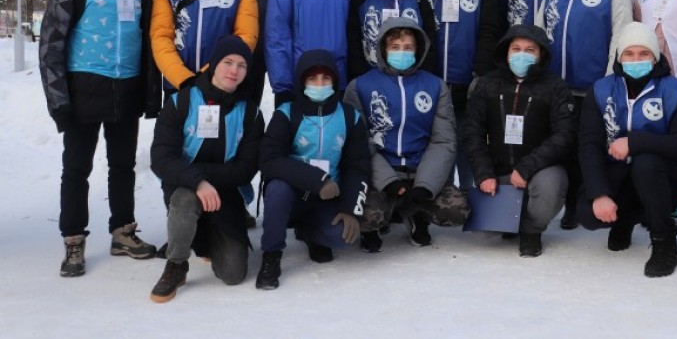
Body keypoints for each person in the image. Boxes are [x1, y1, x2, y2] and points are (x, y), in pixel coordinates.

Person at [40, 0, 160, 277]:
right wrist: (58, 101)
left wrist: (150, 93)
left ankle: (123, 232)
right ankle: (73, 239)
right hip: (84, 89)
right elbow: (50, 46)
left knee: (123, 166)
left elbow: (150, 42)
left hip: (127, 88)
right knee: (77, 168)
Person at [148, 36, 264, 302]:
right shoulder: (181, 102)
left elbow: (246, 169)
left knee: (233, 274)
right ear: (213, 64)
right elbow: (161, 158)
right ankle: (176, 265)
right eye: (228, 62)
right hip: (186, 188)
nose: (234, 71)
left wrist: (203, 176)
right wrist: (198, 182)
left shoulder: (251, 113)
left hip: (227, 194)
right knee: (185, 198)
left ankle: (206, 235)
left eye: (242, 66)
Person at [577, 23, 677, 277]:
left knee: (646, 164)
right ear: (619, 57)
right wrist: (599, 194)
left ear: (655, 57)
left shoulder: (675, 89)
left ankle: (665, 241)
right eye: (629, 54)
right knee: (587, 215)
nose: (636, 60)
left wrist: (635, 142)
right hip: (617, 172)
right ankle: (624, 219)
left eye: (644, 53)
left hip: (661, 177)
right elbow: (589, 145)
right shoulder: (600, 90)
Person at [344, 18, 470, 252]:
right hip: (380, 174)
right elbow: (358, 143)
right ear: (383, 49)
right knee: (365, 213)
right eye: (395, 47)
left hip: (420, 169)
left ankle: (417, 215)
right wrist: (388, 182)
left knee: (456, 209)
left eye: (408, 47)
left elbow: (443, 140)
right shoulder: (360, 86)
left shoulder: (435, 86)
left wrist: (425, 185)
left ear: (417, 50)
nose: (401, 52)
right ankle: (374, 227)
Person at [255, 49, 370, 290]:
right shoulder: (286, 113)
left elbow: (358, 166)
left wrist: (350, 208)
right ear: (302, 82)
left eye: (326, 78)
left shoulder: (350, 116)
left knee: (342, 237)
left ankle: (310, 232)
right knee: (277, 189)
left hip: (329, 198)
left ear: (334, 81)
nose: (319, 84)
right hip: (292, 196)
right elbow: (269, 159)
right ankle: (271, 255)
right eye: (312, 78)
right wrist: (317, 179)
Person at [543, 0, 632, 227]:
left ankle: (584, 200)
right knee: (562, 144)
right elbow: (542, 27)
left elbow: (620, 35)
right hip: (558, 85)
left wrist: (608, 81)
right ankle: (568, 202)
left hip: (593, 86)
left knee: (588, 145)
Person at [462, 25, 576, 257]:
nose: (521, 54)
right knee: (484, 232)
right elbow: (473, 132)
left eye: (530, 50)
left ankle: (531, 230)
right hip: (499, 171)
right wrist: (484, 174)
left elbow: (564, 135)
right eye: (516, 49)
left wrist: (526, 167)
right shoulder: (486, 84)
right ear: (506, 52)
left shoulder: (555, 86)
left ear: (540, 55)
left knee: (552, 186)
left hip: (539, 170)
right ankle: (512, 220)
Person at [424, 0, 506, 190]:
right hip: (433, 78)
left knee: (467, 139)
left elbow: (490, 29)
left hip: (467, 79)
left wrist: (480, 71)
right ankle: (442, 194)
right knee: (438, 140)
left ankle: (470, 192)